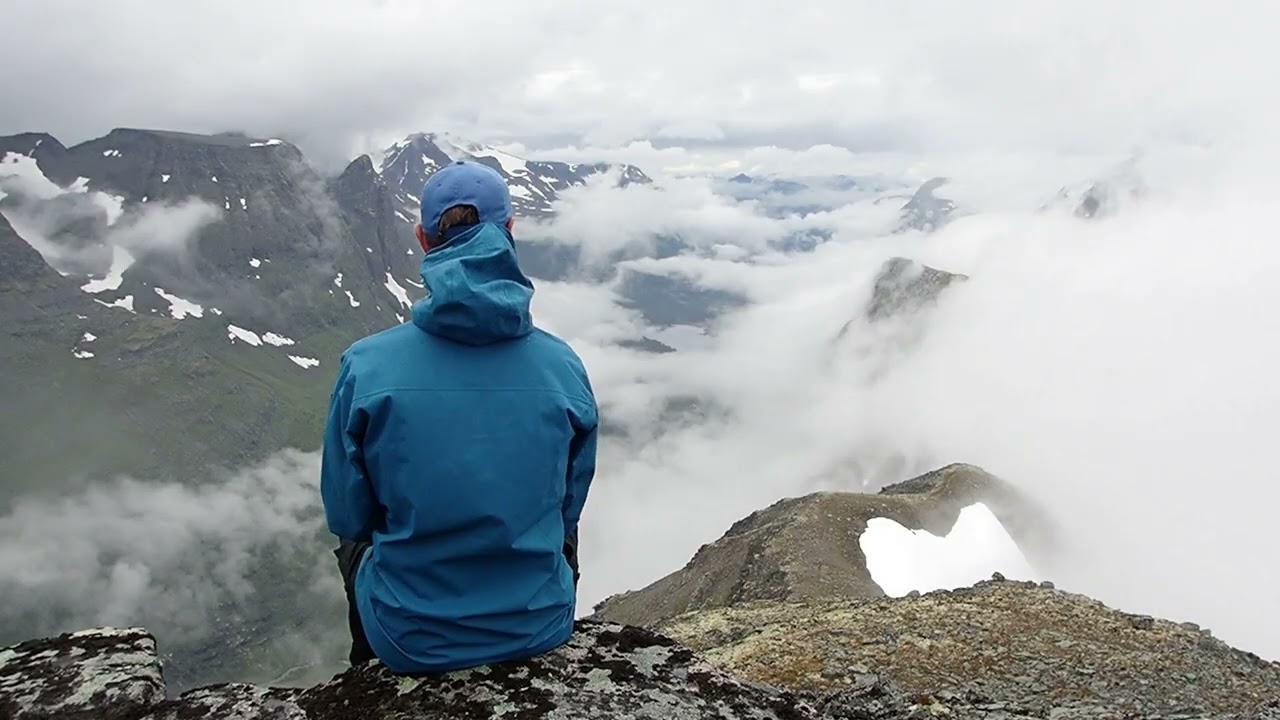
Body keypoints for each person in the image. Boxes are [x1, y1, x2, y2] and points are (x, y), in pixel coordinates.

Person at [320, 160, 599, 674]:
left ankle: (367, 670)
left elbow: (348, 515)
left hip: (410, 641)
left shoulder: (365, 365)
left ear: (422, 239)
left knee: (356, 541)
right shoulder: (563, 365)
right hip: (541, 627)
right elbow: (568, 509)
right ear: (510, 230)